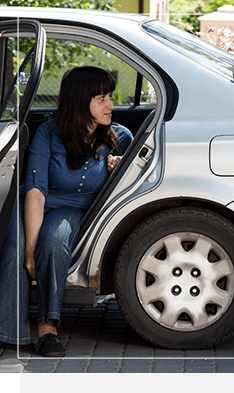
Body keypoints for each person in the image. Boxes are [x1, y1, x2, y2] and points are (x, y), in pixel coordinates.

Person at [0, 66, 133, 356]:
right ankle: (9, 332)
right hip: (39, 201)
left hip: (75, 207)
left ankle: (48, 328)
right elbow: (36, 188)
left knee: (55, 241)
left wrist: (117, 172)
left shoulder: (120, 137)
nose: (111, 104)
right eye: (102, 97)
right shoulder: (49, 132)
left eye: (109, 96)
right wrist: (30, 249)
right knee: (16, 245)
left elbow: (130, 193)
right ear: (79, 100)